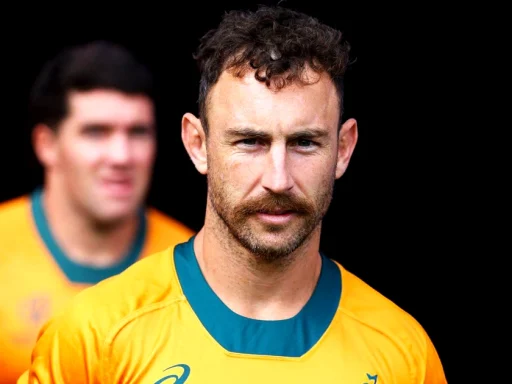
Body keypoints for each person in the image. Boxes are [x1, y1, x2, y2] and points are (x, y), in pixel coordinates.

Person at [17, 6, 446, 384]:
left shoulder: (403, 353)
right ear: (197, 145)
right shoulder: (95, 336)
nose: (278, 179)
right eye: (249, 142)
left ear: (344, 148)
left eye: (305, 143)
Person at [0, 41, 194, 383]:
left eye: (138, 132)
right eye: (96, 132)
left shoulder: (196, 267)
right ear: (47, 145)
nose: (121, 156)